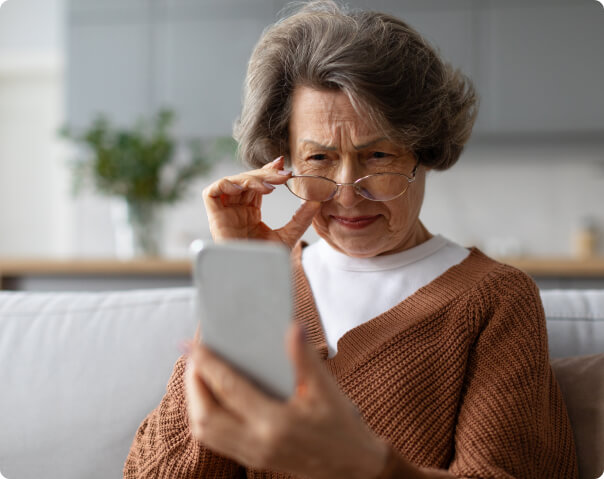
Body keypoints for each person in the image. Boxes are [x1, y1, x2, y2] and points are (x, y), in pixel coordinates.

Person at [124, 1, 578, 478]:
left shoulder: (494, 298)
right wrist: (237, 282)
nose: (346, 193)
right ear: (283, 164)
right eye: (319, 158)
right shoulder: (264, 289)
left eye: (377, 155)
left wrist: (366, 467)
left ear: (423, 152)